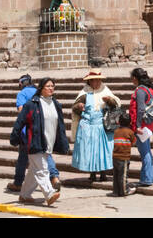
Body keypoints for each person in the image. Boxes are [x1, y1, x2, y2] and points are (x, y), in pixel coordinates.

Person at [12, 77, 69, 205]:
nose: (50, 88)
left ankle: (25, 195)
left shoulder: (56, 104)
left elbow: (60, 124)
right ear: (41, 88)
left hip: (49, 140)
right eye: (48, 86)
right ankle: (49, 194)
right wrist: (15, 137)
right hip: (34, 141)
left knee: (34, 170)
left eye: (52, 86)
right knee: (42, 169)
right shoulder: (32, 104)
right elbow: (20, 121)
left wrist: (62, 141)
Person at [71, 68, 119, 185]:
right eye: (94, 81)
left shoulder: (105, 90)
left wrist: (109, 100)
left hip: (101, 125)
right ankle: (92, 173)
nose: (96, 83)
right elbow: (75, 106)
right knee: (89, 150)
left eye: (98, 80)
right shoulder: (84, 92)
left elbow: (116, 105)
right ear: (89, 82)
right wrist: (79, 106)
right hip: (87, 126)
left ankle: (103, 173)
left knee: (102, 150)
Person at [130, 67, 153, 187]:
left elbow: (140, 109)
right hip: (148, 125)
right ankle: (147, 177)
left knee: (145, 152)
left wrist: (137, 126)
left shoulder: (141, 91)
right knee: (146, 150)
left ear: (135, 78)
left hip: (142, 126)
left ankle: (147, 178)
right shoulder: (149, 89)